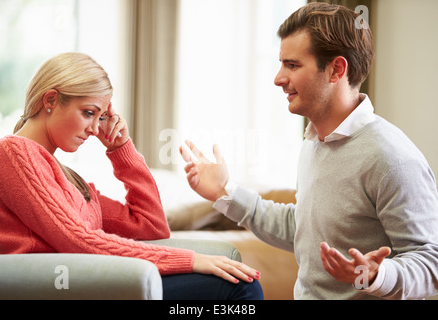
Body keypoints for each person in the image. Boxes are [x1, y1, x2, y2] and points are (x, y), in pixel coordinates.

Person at [179, 3, 438, 300]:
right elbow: (303, 228)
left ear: (336, 69)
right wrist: (225, 192)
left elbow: (431, 262)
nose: (278, 78)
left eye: (292, 65)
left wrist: (378, 275)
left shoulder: (392, 158)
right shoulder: (314, 141)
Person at [0, 52, 263, 300]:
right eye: (88, 113)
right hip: (61, 286)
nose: (95, 129)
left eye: (101, 118)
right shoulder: (13, 153)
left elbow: (151, 227)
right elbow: (77, 240)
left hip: (90, 281)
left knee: (240, 283)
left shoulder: (68, 177)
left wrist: (121, 149)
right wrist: (189, 260)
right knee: (238, 287)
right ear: (50, 100)